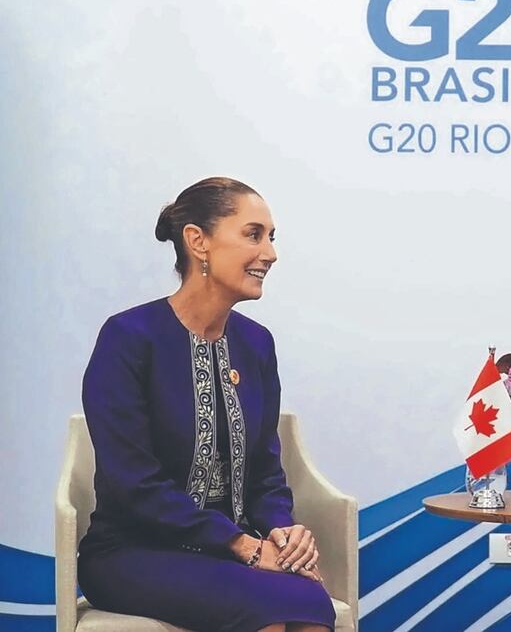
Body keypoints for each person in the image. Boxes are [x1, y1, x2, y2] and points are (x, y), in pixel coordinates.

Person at [78, 177, 335, 631]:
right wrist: (244, 546)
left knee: (310, 601)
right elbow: (133, 483)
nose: (270, 253)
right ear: (198, 241)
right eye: (253, 234)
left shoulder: (256, 345)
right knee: (270, 609)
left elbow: (265, 473)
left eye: (271, 237)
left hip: (228, 550)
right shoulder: (129, 338)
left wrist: (281, 531)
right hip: (132, 552)